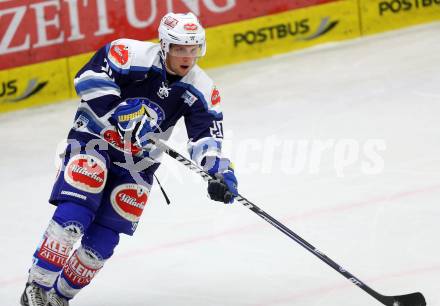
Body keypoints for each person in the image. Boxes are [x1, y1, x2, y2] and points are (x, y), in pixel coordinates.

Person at [20, 12, 238, 306]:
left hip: (138, 166)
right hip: (94, 143)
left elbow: (205, 137)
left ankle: (58, 298)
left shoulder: (202, 88)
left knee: (102, 245)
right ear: (164, 46)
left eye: (193, 49)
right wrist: (119, 110)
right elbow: (88, 77)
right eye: (179, 48)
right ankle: (36, 287)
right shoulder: (128, 53)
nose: (187, 57)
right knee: (74, 217)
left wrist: (218, 170)